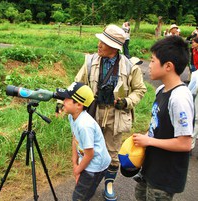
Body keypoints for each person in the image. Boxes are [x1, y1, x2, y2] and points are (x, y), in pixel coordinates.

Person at [71, 24, 147, 201]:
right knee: (88, 148)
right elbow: (77, 83)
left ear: (114, 47)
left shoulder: (130, 67)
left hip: (116, 114)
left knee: (112, 152)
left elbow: (140, 89)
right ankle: (89, 181)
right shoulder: (90, 61)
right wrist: (67, 102)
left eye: (103, 43)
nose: (99, 44)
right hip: (93, 112)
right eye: (100, 41)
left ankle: (109, 184)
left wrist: (126, 102)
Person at [132, 36, 194, 201]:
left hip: (165, 175)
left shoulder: (179, 97)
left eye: (152, 61)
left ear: (168, 66)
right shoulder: (161, 90)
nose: (149, 65)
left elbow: (185, 143)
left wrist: (149, 142)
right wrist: (145, 136)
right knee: (140, 195)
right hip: (151, 167)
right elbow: (157, 125)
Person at [56, 82, 111, 201]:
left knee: (79, 197)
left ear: (79, 104)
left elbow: (90, 154)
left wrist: (78, 169)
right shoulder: (72, 116)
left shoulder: (85, 125)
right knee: (85, 191)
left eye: (67, 98)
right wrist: (74, 163)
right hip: (87, 159)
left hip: (96, 165)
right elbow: (75, 139)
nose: (63, 101)